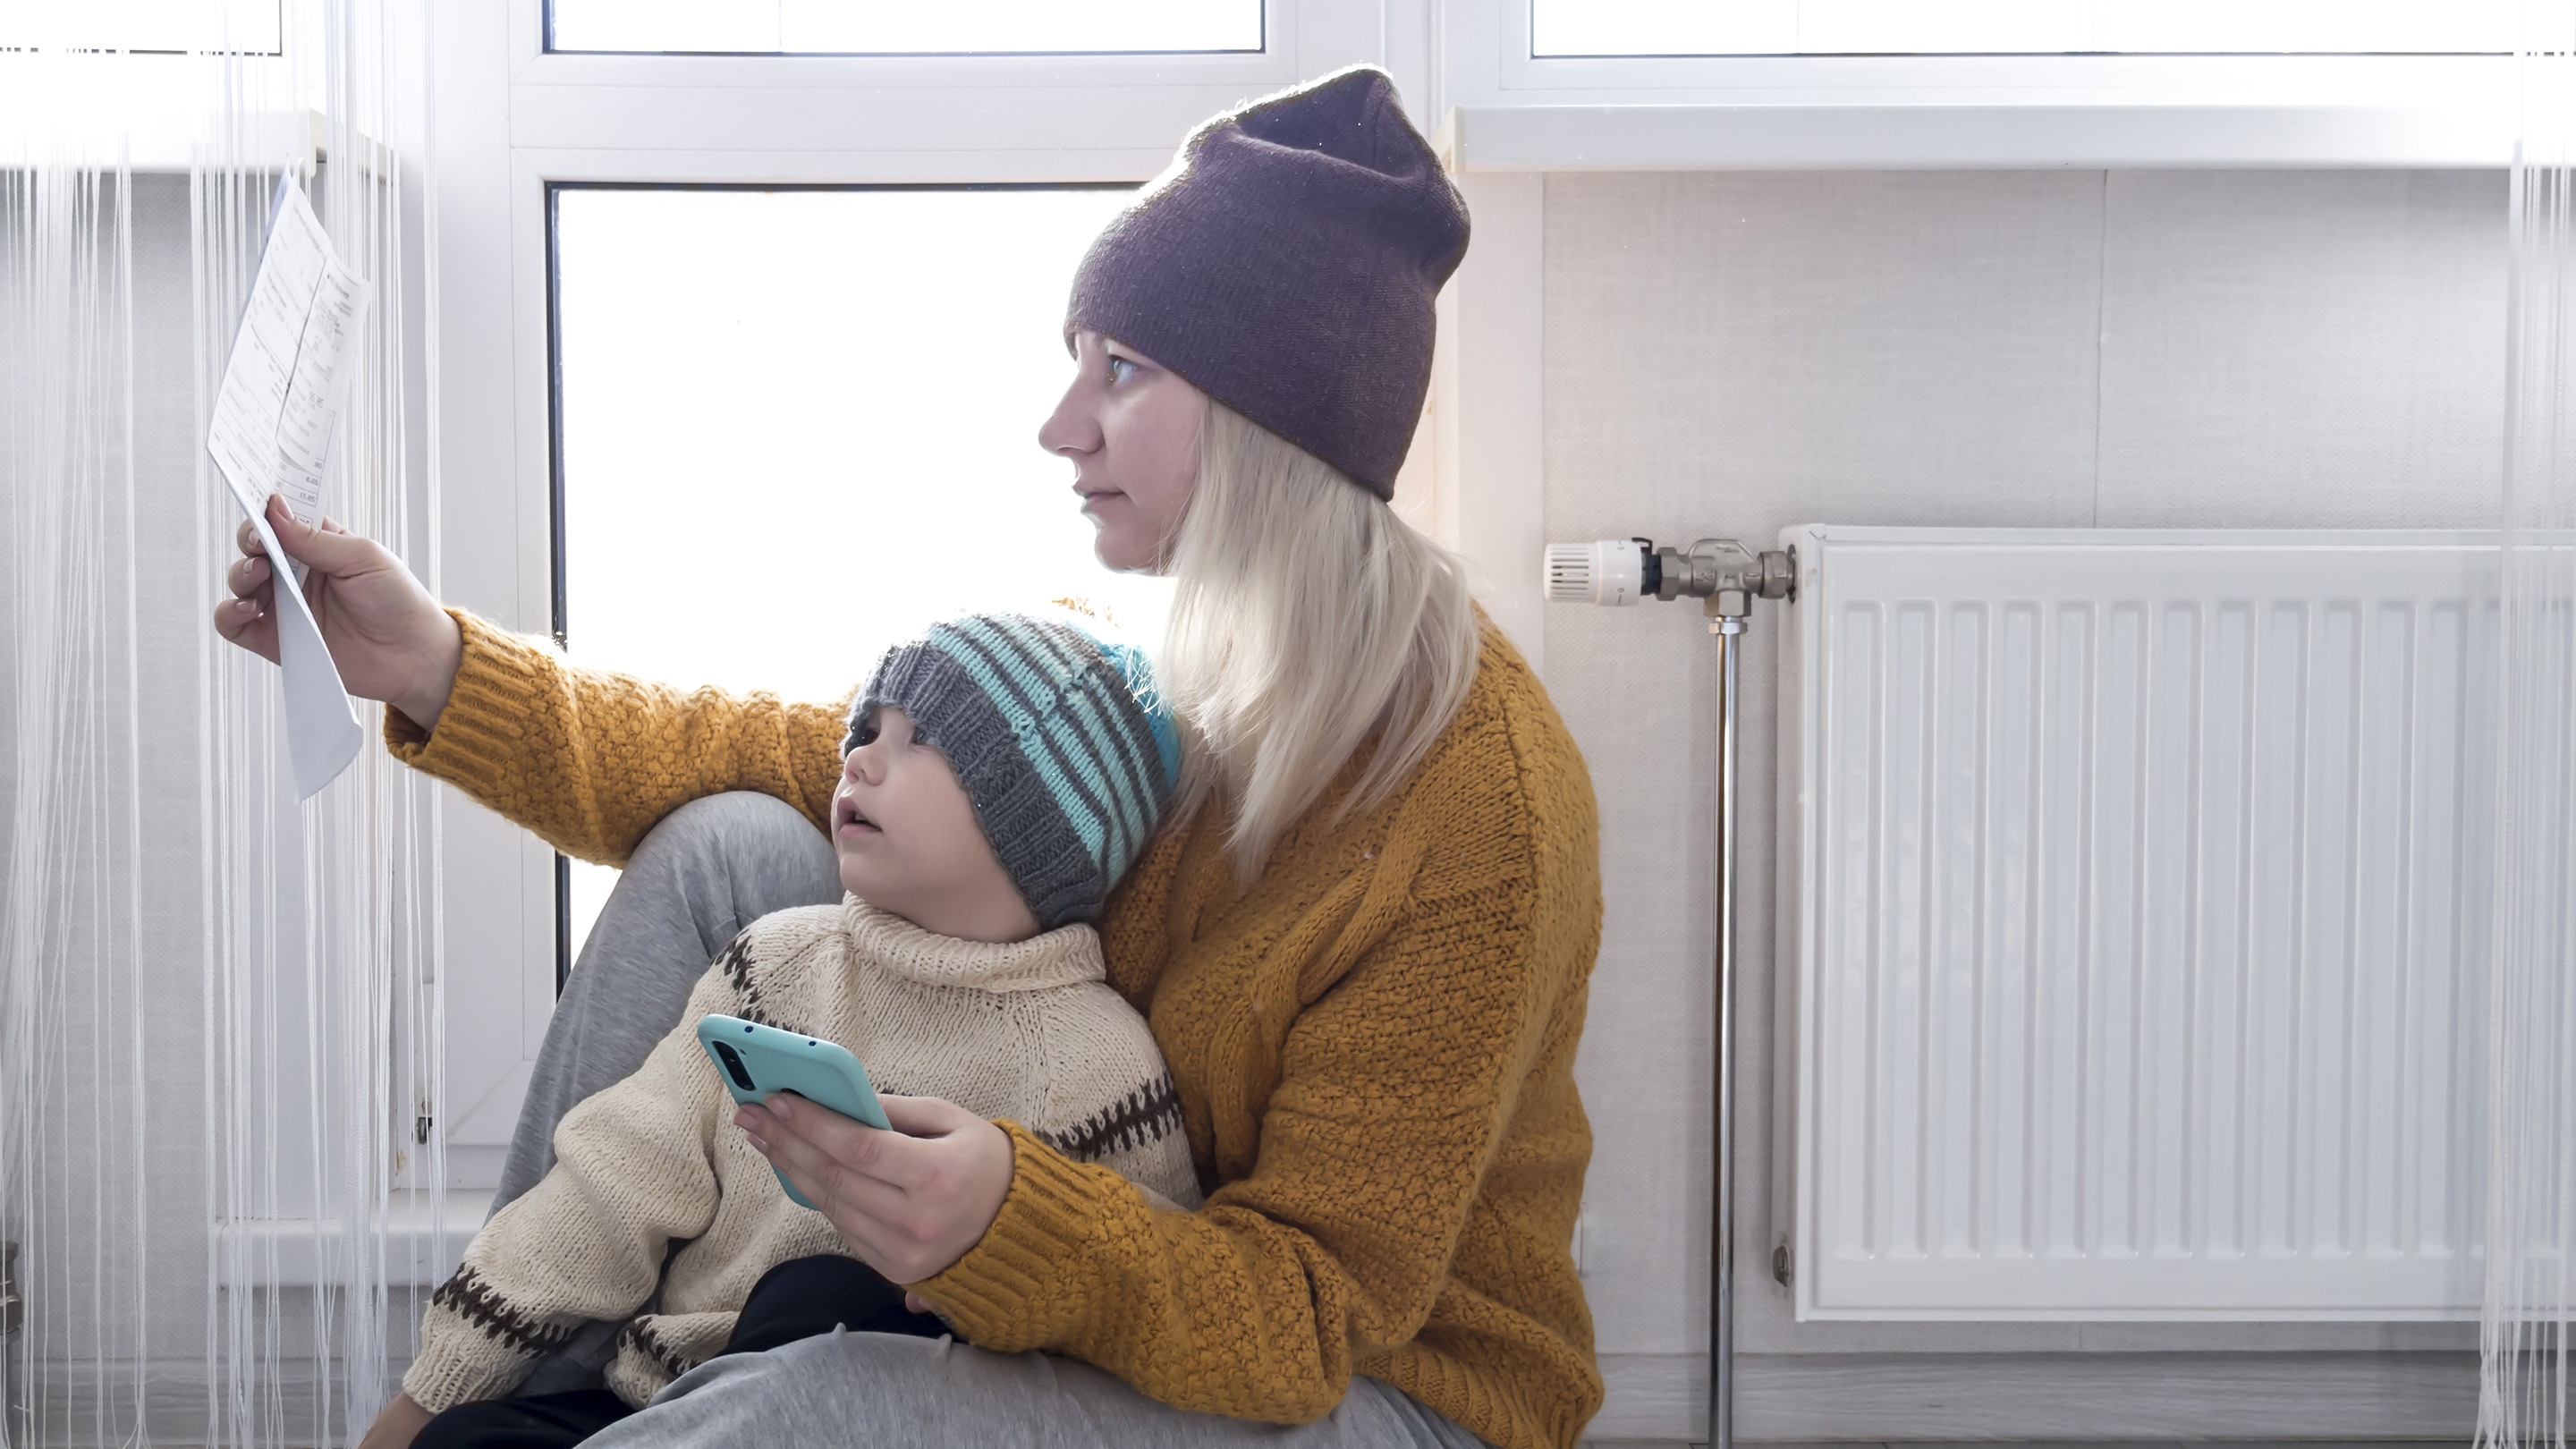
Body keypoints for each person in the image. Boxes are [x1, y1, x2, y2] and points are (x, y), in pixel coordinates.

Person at [221, 64, 1606, 1449]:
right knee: (730, 844)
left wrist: (1017, 1219)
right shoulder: (1136, 661)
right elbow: (771, 753)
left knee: (816, 1402)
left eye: (1122, 370)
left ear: (1271, 419)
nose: (1061, 427)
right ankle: (516, 1387)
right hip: (1122, 1282)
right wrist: (440, 669)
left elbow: (1307, 1316)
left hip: (1380, 1390)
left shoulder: (1476, 806)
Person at [387, 614, 1201, 1449]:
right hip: (665, 1404)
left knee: (823, 1299)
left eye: (922, 741)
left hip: (872, 1413)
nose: (859, 758)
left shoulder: (1101, 1067)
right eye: (870, 727)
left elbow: (1135, 1322)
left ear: (1041, 822)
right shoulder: (774, 961)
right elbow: (615, 1180)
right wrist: (436, 1389)